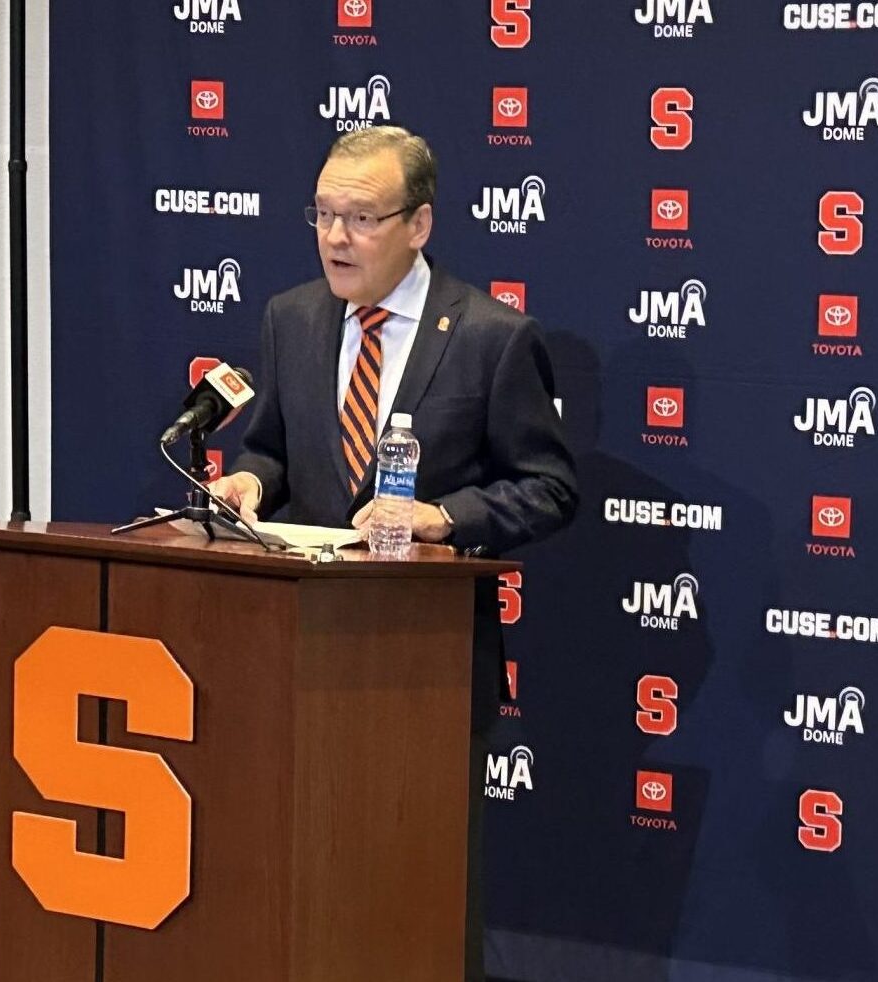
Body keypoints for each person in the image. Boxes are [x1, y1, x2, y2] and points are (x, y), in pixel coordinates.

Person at [210, 125, 577, 982]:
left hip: (425, 666)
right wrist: (250, 486)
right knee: (297, 886)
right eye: (324, 215)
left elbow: (550, 487)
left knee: (415, 899)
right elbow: (269, 446)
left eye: (361, 218)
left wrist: (440, 519)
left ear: (418, 224)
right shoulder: (290, 317)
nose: (336, 237)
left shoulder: (491, 335)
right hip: (297, 653)